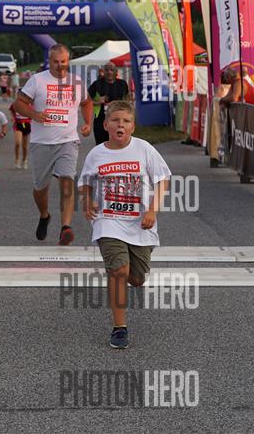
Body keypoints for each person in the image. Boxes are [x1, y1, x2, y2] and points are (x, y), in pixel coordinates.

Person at [78, 101, 171, 349]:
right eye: (115, 120)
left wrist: (152, 210)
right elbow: (85, 182)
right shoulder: (96, 154)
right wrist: (87, 200)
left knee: (137, 278)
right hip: (108, 221)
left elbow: (163, 180)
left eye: (126, 121)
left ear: (132, 127)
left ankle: (125, 273)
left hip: (140, 223)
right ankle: (119, 328)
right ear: (105, 125)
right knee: (119, 270)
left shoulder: (144, 149)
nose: (121, 125)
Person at [13, 44, 93, 245]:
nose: (60, 65)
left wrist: (88, 123)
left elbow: (87, 102)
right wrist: (34, 114)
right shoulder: (37, 80)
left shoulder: (77, 82)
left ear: (68, 61)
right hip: (41, 142)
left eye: (63, 61)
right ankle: (44, 215)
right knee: (40, 188)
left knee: (67, 181)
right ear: (49, 62)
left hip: (68, 141)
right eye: (56, 62)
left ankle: (66, 228)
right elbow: (18, 103)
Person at [88, 63, 130, 145]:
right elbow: (85, 102)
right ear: (103, 71)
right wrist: (97, 101)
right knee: (101, 146)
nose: (109, 72)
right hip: (101, 122)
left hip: (119, 121)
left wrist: (116, 103)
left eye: (112, 70)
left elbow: (127, 100)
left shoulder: (122, 84)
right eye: (107, 70)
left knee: (119, 145)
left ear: (116, 71)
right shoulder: (97, 84)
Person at [8, 88, 31, 169]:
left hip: (26, 124)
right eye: (20, 95)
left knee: (24, 146)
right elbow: (11, 110)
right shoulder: (15, 104)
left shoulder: (30, 104)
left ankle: (24, 160)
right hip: (18, 124)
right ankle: (17, 160)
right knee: (18, 143)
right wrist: (12, 117)